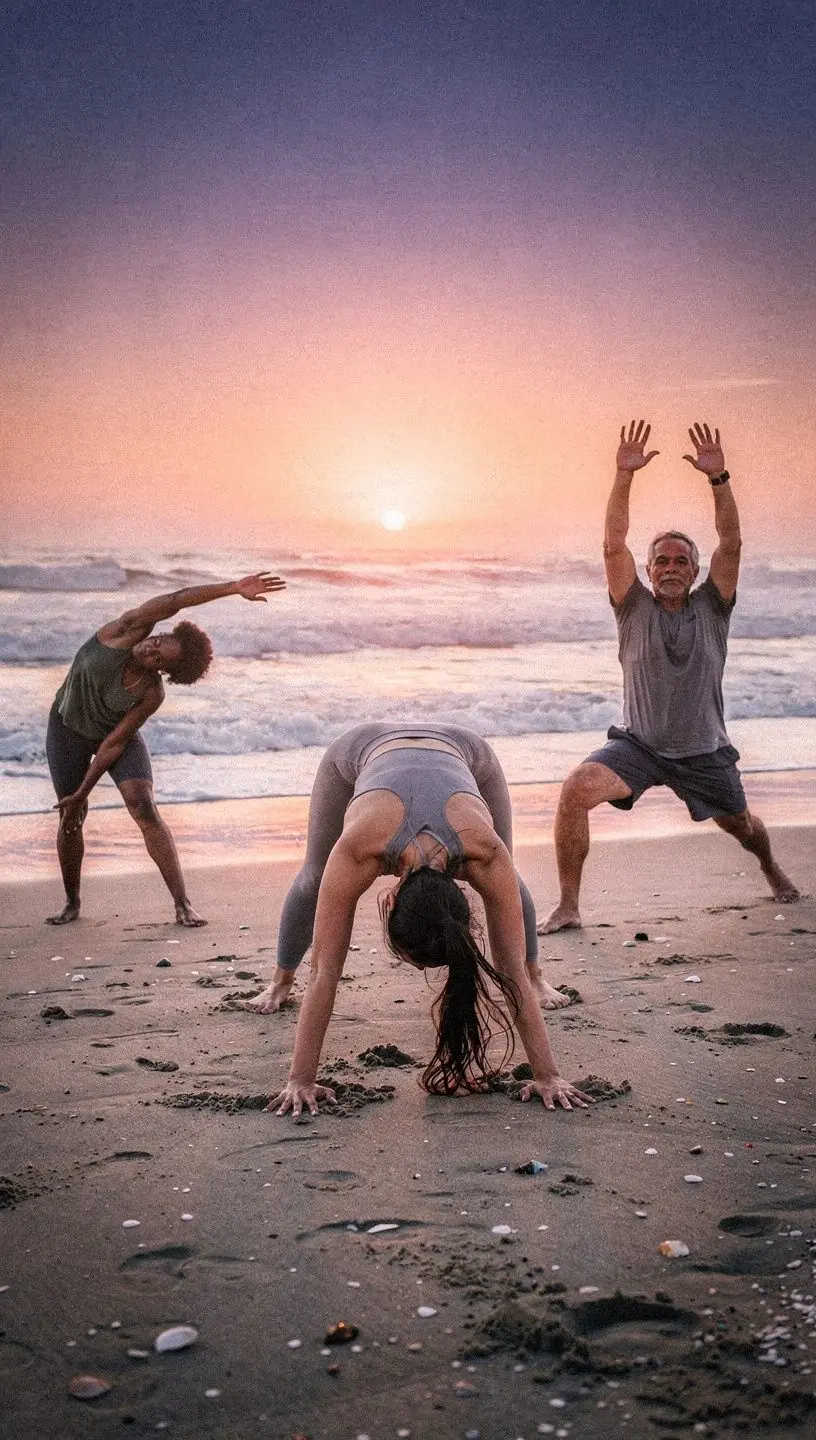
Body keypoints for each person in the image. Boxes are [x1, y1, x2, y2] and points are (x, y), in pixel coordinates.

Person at [243, 722, 591, 1118]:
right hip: (358, 749)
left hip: (467, 754)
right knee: (314, 877)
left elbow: (509, 968)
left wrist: (548, 1075)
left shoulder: (486, 853)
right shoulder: (358, 848)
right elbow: (324, 971)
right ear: (391, 899)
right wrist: (300, 1079)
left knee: (508, 879)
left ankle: (537, 974)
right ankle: (280, 981)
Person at [539, 420, 800, 935]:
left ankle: (770, 867)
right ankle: (569, 905)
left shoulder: (713, 606)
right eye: (662, 560)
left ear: (696, 571)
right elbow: (613, 544)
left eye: (682, 560)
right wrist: (624, 475)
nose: (672, 566)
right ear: (650, 570)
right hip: (639, 747)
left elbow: (732, 543)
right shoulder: (632, 606)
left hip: (704, 751)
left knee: (743, 827)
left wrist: (719, 478)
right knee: (575, 790)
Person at [46, 571, 285, 926]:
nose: (150, 651)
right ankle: (71, 902)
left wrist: (85, 791)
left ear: (166, 672)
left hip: (112, 735)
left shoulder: (151, 692)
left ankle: (182, 903)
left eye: (159, 660)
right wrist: (232, 588)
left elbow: (114, 742)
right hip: (67, 729)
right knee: (70, 816)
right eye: (157, 642)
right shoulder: (126, 629)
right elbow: (177, 599)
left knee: (143, 806)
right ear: (158, 631)